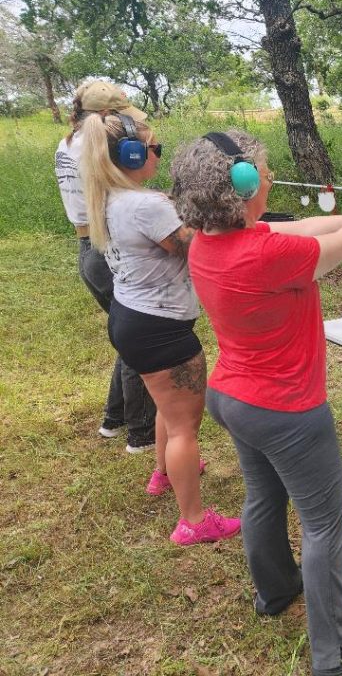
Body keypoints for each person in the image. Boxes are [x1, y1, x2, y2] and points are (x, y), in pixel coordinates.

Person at [171, 129, 342, 676]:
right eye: (263, 170)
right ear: (242, 183)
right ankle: (339, 648)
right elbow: (341, 248)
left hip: (233, 398)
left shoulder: (208, 242)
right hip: (287, 410)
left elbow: (305, 227)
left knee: (262, 497)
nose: (271, 176)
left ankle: (274, 592)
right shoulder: (266, 254)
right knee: (324, 526)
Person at [79, 111, 239, 546]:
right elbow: (198, 247)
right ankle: (193, 520)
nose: (158, 156)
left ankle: (163, 472)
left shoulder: (111, 198)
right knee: (186, 425)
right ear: (131, 155)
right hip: (161, 329)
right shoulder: (146, 205)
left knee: (169, 409)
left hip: (131, 320)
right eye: (154, 149)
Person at [55, 81, 156, 452]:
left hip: (88, 246)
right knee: (138, 338)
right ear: (102, 117)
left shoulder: (67, 142)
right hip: (105, 246)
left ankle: (114, 420)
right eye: (119, 119)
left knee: (125, 334)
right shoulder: (94, 145)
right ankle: (141, 431)